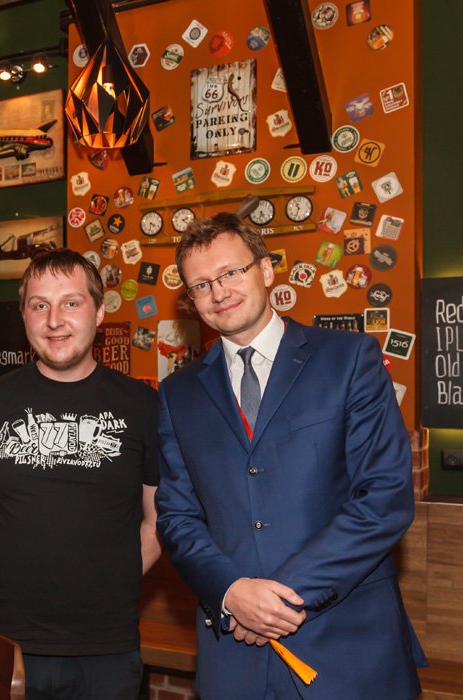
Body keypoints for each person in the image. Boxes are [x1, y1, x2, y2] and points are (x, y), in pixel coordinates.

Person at [156, 213, 426, 699]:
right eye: (201, 285)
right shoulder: (178, 393)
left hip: (347, 644)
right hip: (234, 652)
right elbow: (177, 516)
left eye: (230, 272)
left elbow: (383, 498)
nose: (218, 292)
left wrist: (275, 601)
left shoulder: (349, 359)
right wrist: (233, 594)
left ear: (265, 269)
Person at [0, 248, 160, 700]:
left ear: (99, 312)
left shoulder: (144, 407)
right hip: (9, 644)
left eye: (71, 303)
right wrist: (16, 571)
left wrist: (113, 575)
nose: (54, 320)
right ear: (24, 316)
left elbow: (159, 518)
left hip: (109, 647)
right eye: (39, 305)